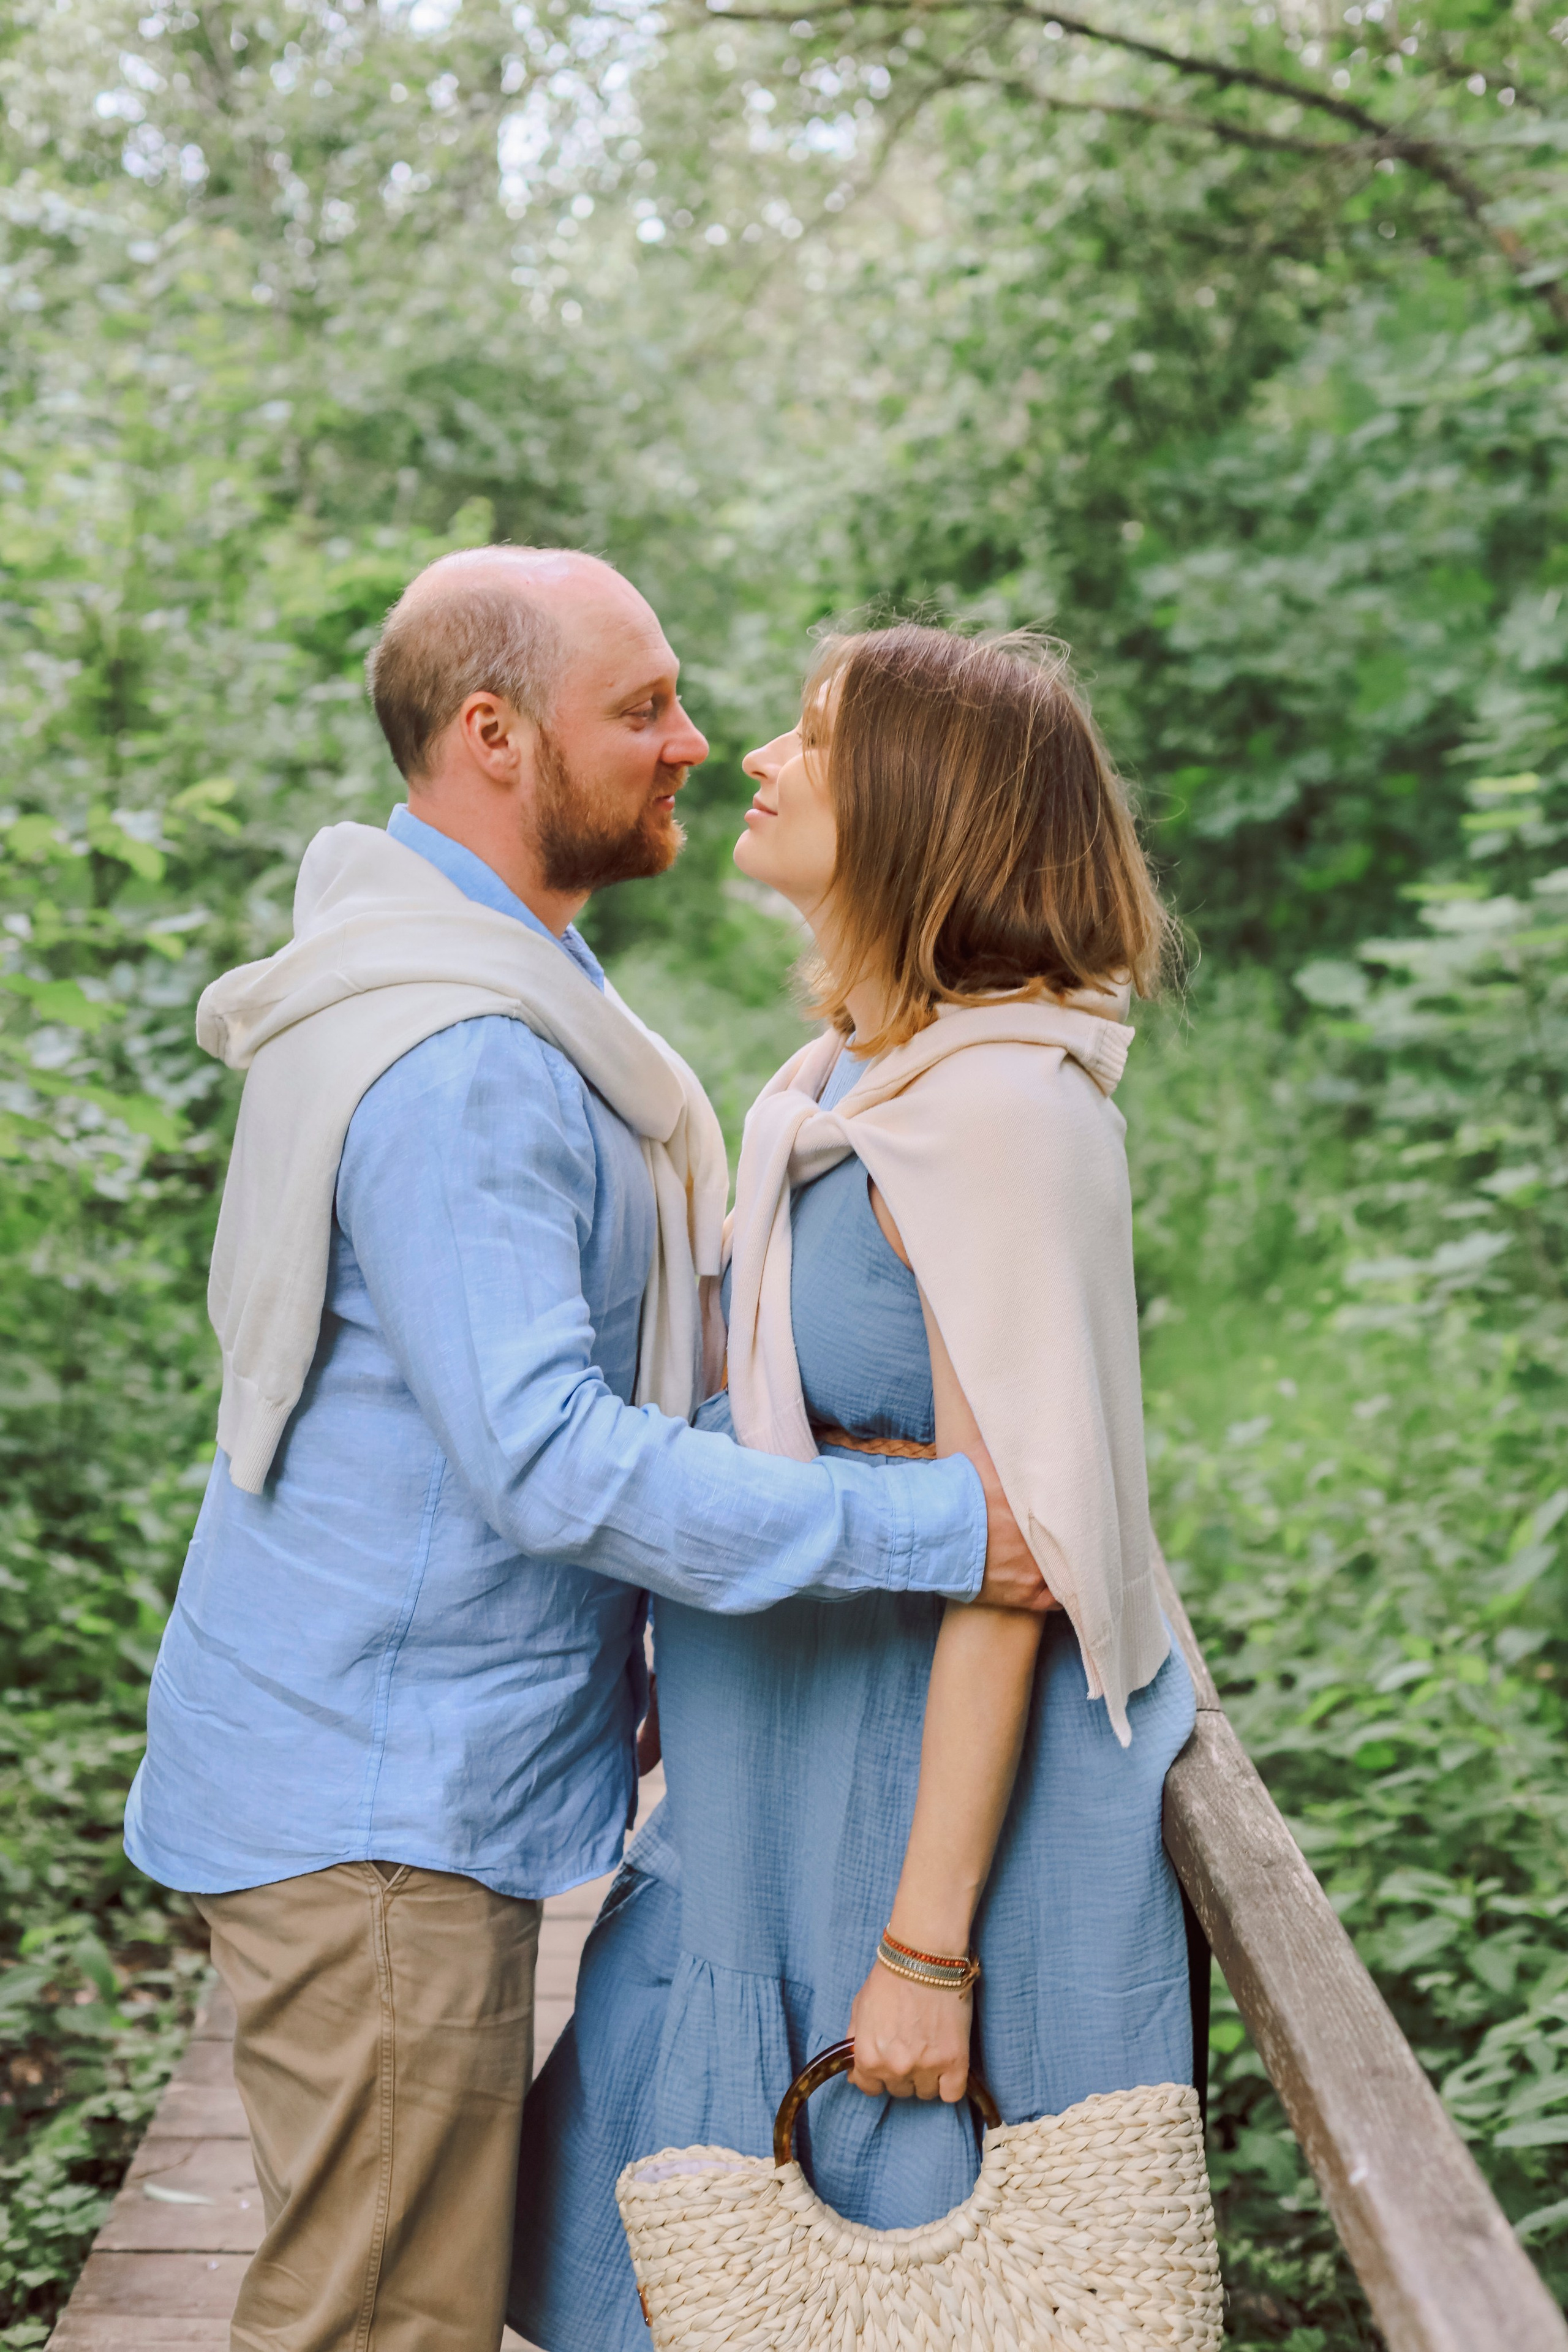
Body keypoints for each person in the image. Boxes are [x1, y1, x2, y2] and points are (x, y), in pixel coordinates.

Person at [122, 556, 1049, 2352]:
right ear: (493, 735)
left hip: (373, 1756)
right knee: (384, 2316)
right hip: (372, 1797)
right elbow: (547, 1460)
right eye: (645, 709)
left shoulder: (501, 977)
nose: (694, 742)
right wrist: (939, 1527)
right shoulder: (467, 1053)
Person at [510, 621, 1199, 2352]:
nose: (756, 757)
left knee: (883, 2286)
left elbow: (1015, 1550)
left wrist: (928, 1951)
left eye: (811, 739)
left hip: (898, 1820)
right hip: (770, 1785)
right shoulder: (853, 1086)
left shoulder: (1007, 1114)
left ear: (916, 806)